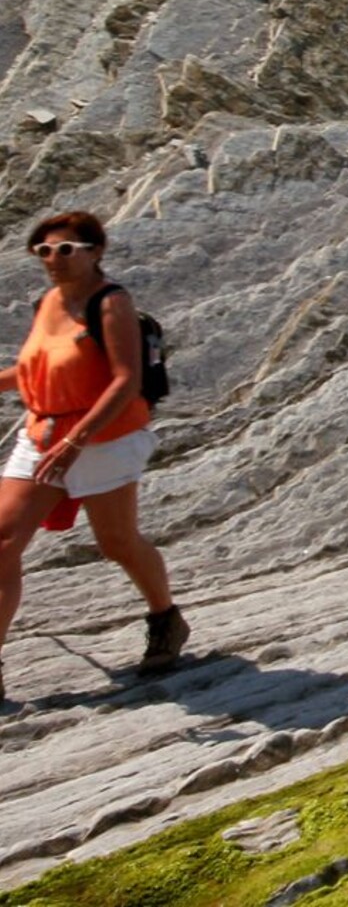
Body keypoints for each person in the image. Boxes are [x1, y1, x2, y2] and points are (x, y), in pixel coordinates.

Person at [0, 211, 188, 700]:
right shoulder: (48, 302)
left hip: (103, 438)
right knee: (2, 542)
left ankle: (165, 619)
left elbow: (126, 381)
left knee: (117, 542)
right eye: (43, 251)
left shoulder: (111, 303)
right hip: (43, 433)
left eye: (66, 250)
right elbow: (32, 370)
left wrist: (75, 442)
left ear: (95, 252)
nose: (53, 260)